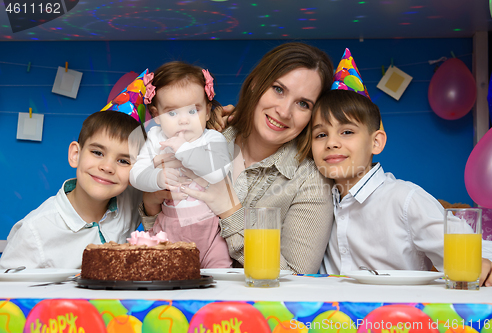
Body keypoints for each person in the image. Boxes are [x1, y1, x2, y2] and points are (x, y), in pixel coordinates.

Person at [144, 42, 336, 274]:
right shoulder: (203, 139)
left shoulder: (309, 180)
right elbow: (160, 237)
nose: (284, 112)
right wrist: (151, 203)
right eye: (278, 89)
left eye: (303, 104)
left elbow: (298, 278)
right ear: (256, 84)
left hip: (254, 309)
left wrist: (229, 210)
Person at [301, 89, 492, 287]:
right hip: (332, 315)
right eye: (321, 135)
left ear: (376, 142)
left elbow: (483, 253)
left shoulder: (405, 199)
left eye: (347, 132)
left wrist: (487, 263)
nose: (331, 143)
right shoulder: (315, 201)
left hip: (399, 314)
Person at [0, 111, 147, 269]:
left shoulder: (132, 201)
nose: (107, 167)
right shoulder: (34, 231)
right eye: (97, 153)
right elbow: (7, 289)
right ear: (75, 155)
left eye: (123, 161)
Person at [130, 61, 232, 269]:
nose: (184, 120)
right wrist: (157, 178)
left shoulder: (212, 139)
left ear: (207, 111)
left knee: (221, 276)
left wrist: (184, 150)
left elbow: (217, 173)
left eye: (193, 111)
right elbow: (136, 175)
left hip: (211, 230)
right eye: (173, 113)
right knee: (165, 274)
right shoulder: (155, 138)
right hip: (170, 229)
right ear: (156, 115)